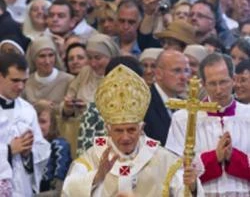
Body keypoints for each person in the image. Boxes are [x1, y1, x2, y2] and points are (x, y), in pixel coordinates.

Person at [62, 64, 204, 197]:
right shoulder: (91, 159)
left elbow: (186, 191)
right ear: (108, 129)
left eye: (131, 130)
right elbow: (68, 191)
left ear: (141, 128)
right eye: (118, 130)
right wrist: (98, 177)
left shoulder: (165, 160)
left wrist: (192, 187)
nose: (125, 137)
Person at [166, 52, 250, 196]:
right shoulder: (183, 118)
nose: (218, 90)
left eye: (223, 82)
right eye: (212, 83)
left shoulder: (247, 115)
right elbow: (174, 170)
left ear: (234, 79)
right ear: (203, 84)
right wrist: (213, 158)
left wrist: (234, 157)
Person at [0, 52, 50, 196]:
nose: (21, 86)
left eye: (24, 80)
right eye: (15, 80)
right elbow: (11, 149)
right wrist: (8, 151)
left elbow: (41, 149)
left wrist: (29, 154)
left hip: (22, 186)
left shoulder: (27, 110)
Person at [144, 50, 190, 146]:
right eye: (177, 71)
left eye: (186, 71)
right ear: (159, 73)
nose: (184, 77)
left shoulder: (186, 104)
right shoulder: (144, 103)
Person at [34, 100, 72, 197]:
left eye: (42, 122)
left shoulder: (60, 147)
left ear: (52, 124)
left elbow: (59, 191)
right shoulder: (25, 146)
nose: (37, 126)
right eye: (34, 121)